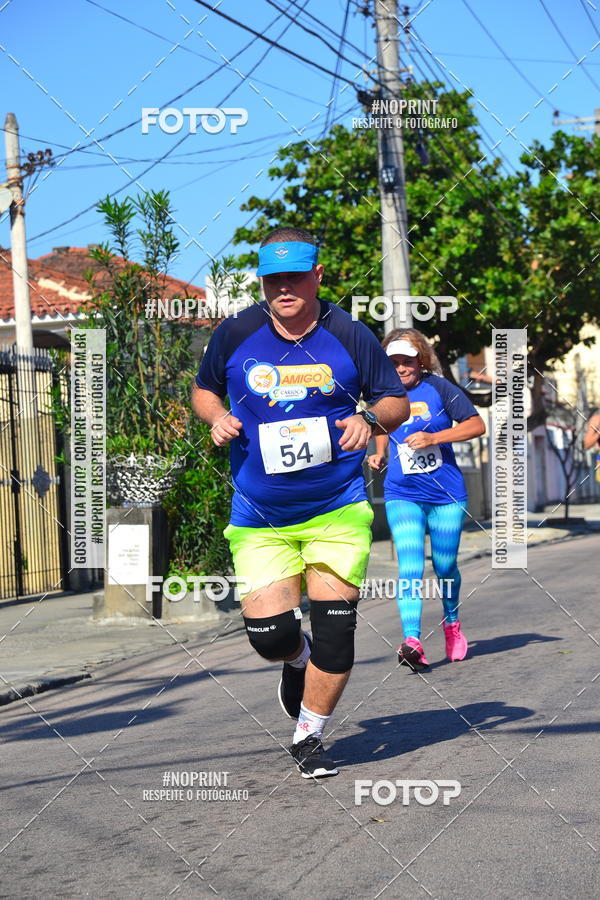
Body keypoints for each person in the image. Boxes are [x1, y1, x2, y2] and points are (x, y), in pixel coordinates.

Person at [191, 226, 409, 778]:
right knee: (271, 637)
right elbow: (203, 388)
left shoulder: (351, 334)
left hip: (337, 508)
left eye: (294, 277)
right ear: (262, 282)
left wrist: (367, 418)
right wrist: (217, 417)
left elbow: (394, 402)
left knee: (336, 626)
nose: (283, 288)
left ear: (317, 276)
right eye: (272, 279)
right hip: (261, 517)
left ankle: (309, 736)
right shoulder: (236, 331)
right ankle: (296, 660)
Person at [367, 328, 486, 671]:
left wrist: (435, 436)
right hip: (402, 492)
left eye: (408, 361)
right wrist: (379, 455)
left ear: (421, 360)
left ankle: (452, 625)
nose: (401, 368)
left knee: (445, 566)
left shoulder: (439, 388)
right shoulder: (381, 394)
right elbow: (380, 428)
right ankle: (412, 641)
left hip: (445, 494)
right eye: (394, 362)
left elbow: (476, 425)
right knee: (410, 565)